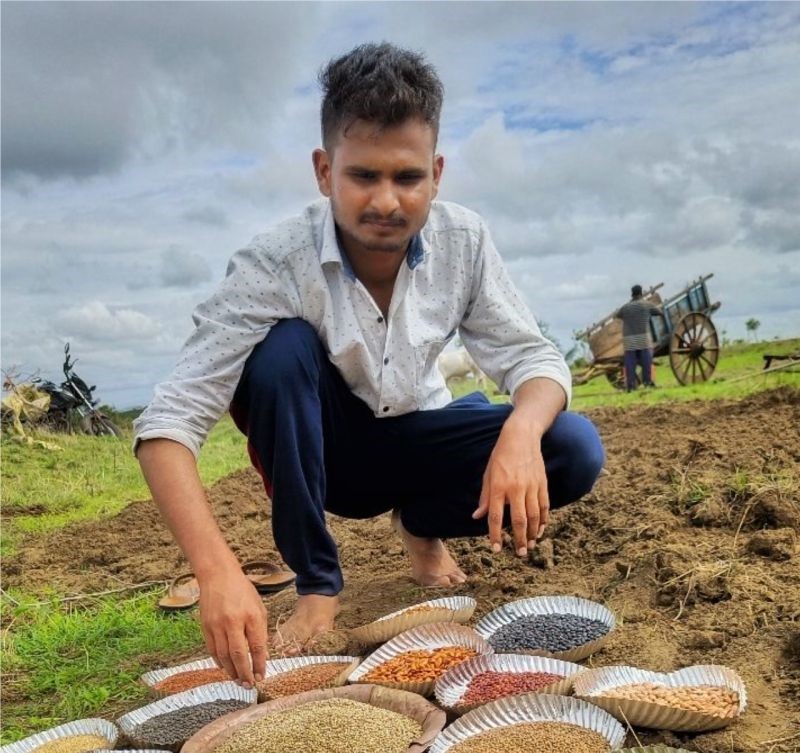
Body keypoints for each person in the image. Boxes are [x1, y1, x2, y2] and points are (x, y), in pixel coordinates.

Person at [133, 43, 605, 688]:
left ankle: (420, 525)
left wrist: (520, 435)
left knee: (571, 444)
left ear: (436, 174)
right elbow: (168, 424)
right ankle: (318, 585)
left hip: (420, 431)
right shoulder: (274, 261)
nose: (387, 201)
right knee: (282, 351)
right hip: (333, 459)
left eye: (407, 178)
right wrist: (218, 570)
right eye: (363, 176)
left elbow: (532, 355)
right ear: (325, 171)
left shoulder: (463, 240)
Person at [615, 284, 665, 390]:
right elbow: (660, 313)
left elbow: (618, 315)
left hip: (629, 340)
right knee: (647, 362)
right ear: (641, 293)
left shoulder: (626, 307)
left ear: (632, 294)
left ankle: (630, 386)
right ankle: (647, 383)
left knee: (630, 364)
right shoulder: (646, 305)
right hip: (643, 339)